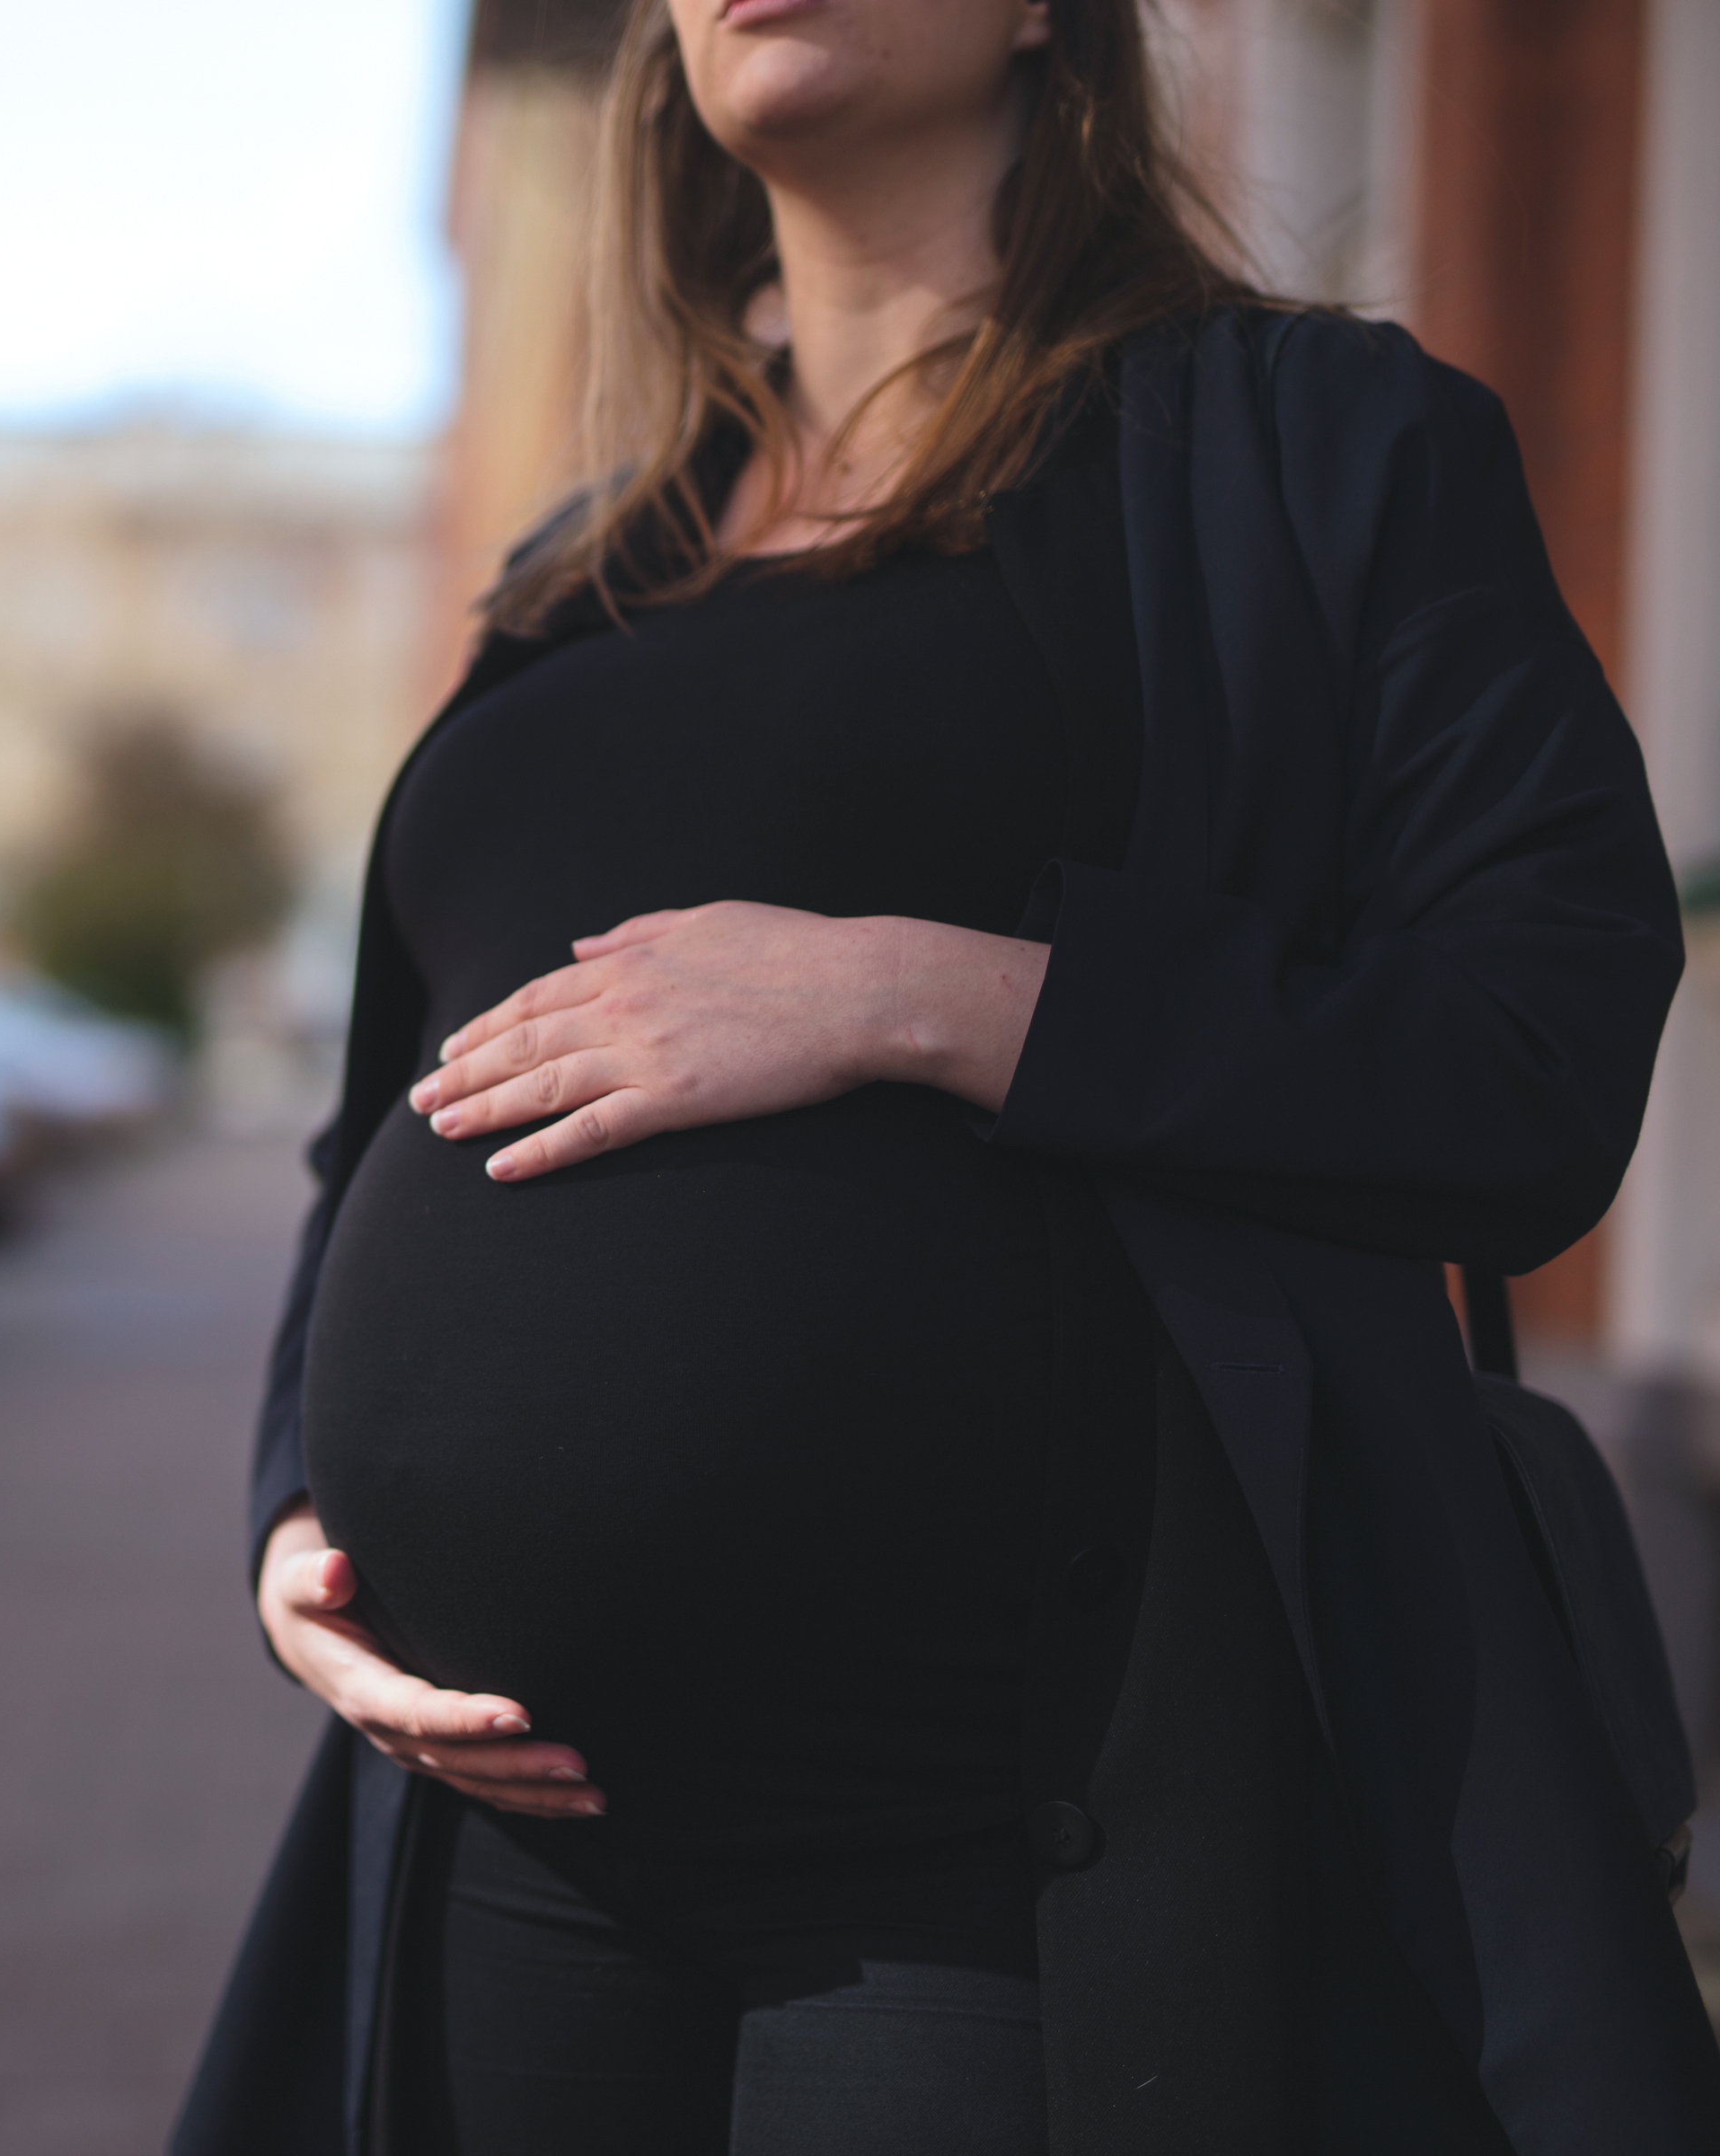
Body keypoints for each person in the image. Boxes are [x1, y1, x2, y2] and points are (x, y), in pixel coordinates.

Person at [172, 1, 1720, 2152]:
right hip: (519, 1839)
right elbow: (382, 1132)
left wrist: (917, 997)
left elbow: (1527, 1056)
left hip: (986, 1849)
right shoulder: (581, 575)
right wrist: (296, 1524)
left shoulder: (1309, 450)